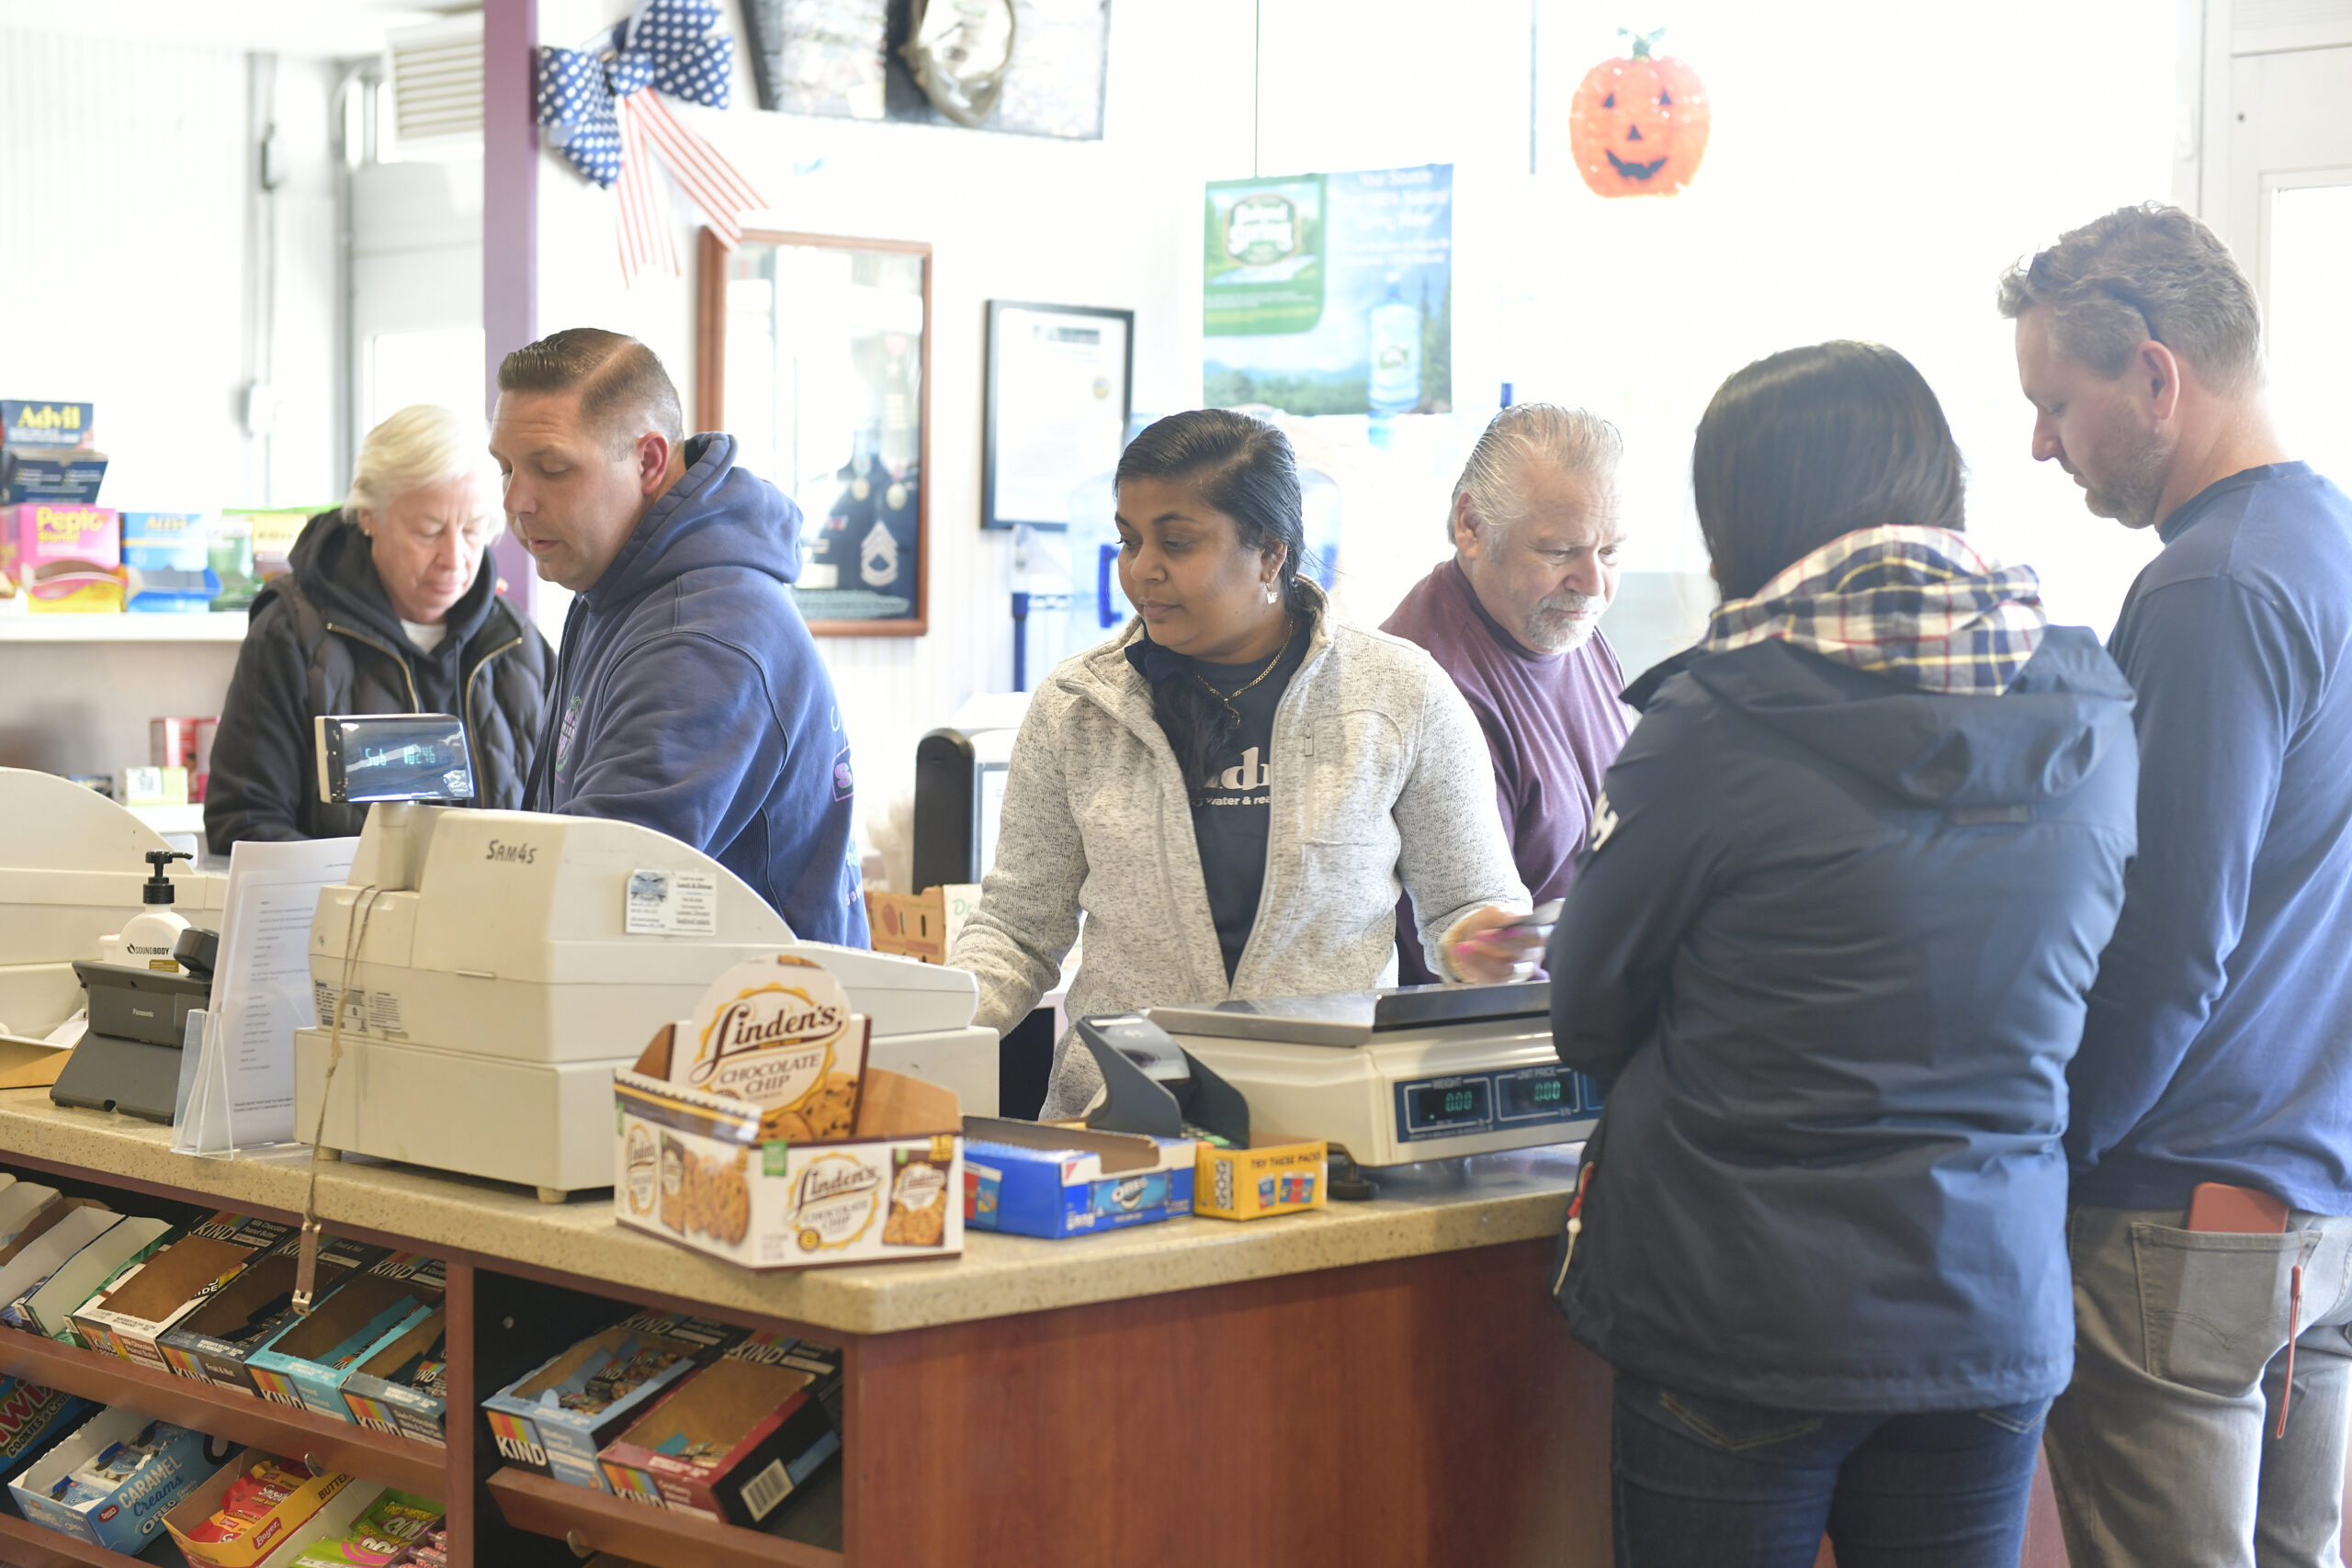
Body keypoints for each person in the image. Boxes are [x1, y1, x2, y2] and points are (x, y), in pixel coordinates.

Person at [1545, 342, 2138, 1567]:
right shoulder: (2090, 705)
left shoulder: (1711, 718)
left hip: (1737, 1304)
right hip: (1988, 1296)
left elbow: (1589, 1009)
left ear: (1742, 515)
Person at [2000, 204, 2352, 1568]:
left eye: (2056, 402)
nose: (2042, 443)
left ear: (2156, 374)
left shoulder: (2214, 583)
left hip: (2181, 1211)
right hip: (2310, 1198)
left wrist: (2056, 1147)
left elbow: (2170, 941)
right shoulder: (2324, 543)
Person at [949, 409, 1537, 1120]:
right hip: (1121, 1130)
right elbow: (1016, 928)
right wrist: (929, 1025)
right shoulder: (1080, 707)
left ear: (1269, 553)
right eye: (1129, 541)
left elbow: (1471, 903)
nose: (1142, 570)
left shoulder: (1398, 695)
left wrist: (1485, 945)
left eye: (1177, 542)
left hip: (1328, 1126)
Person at [492, 328, 866, 945]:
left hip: (761, 1022)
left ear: (648, 462)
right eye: (505, 468)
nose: (516, 501)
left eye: (552, 469)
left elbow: (596, 896)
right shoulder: (617, 588)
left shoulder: (702, 636)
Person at [207, 404, 556, 850]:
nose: (454, 558)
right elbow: (245, 823)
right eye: (429, 532)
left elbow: (563, 818)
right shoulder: (292, 634)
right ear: (370, 516)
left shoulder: (518, 642)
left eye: (471, 531)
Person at [1381, 402, 1631, 985]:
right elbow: (1469, 954)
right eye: (1559, 551)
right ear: (1472, 527)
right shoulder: (1428, 685)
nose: (1593, 584)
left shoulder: (1568, 628)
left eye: (1611, 552)